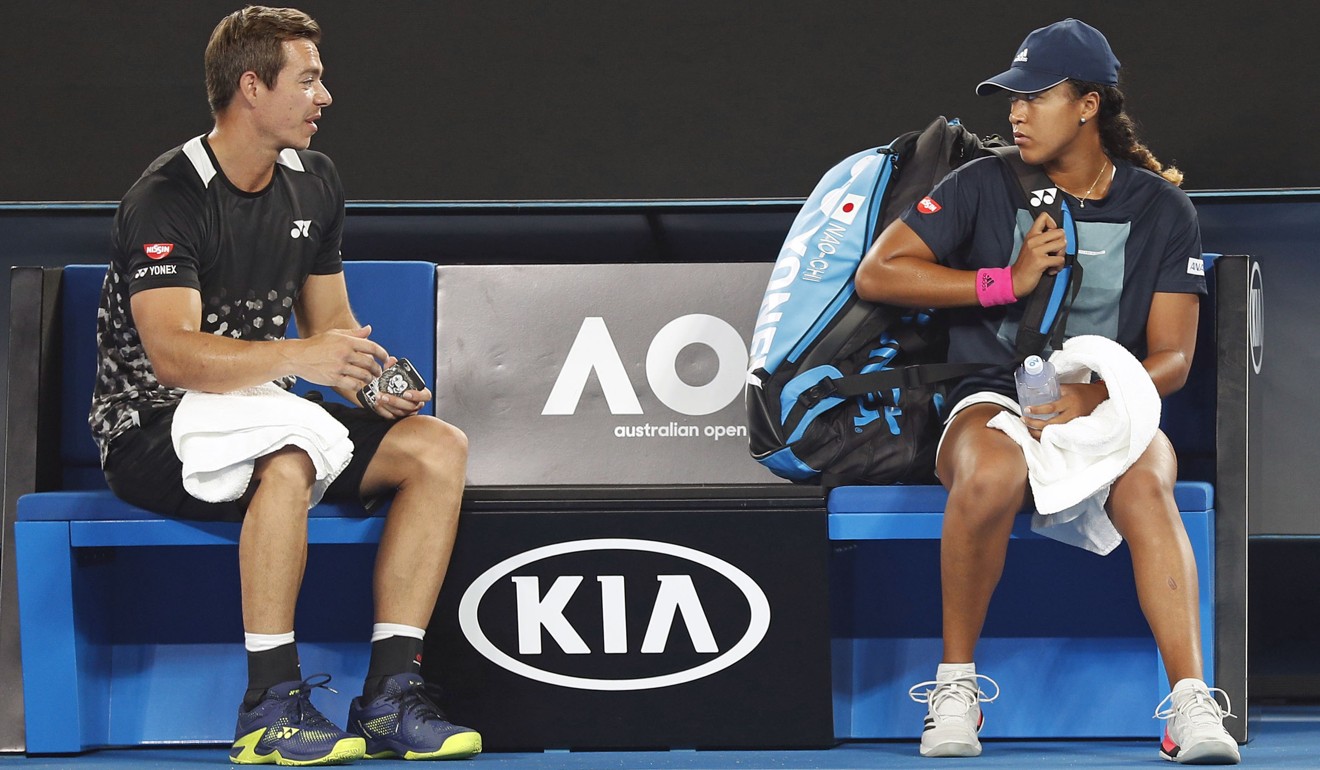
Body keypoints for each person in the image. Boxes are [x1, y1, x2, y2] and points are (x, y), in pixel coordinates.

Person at [88, 6, 480, 765]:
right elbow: (171, 356)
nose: (324, 96)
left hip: (265, 405)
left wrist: (371, 384)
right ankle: (269, 702)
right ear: (251, 88)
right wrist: (303, 359)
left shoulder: (315, 181)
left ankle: (391, 695)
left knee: (437, 448)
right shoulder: (167, 196)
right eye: (308, 80)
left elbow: (331, 322)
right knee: (290, 455)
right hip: (151, 426)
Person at [855, 18, 1239, 765]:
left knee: (1150, 484)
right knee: (990, 471)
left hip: (1106, 397)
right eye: (1012, 98)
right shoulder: (981, 183)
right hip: (991, 393)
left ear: (1090, 105)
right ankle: (956, 689)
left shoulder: (1162, 210)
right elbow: (880, 272)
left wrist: (1097, 399)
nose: (1016, 113)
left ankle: (1191, 703)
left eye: (1036, 96)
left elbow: (1171, 358)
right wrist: (1007, 281)